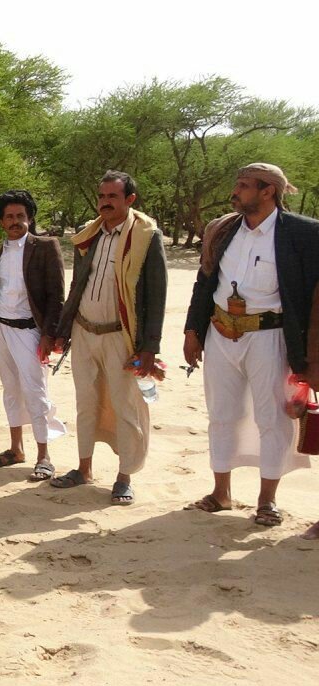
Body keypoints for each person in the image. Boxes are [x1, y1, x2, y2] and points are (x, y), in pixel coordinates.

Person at [183, 163, 319, 528]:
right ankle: (220, 492)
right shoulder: (222, 229)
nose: (235, 192)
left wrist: (311, 356)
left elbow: (314, 297)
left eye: (243, 186)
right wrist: (193, 331)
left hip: (271, 336)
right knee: (221, 414)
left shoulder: (304, 233)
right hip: (220, 333)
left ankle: (267, 501)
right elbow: (205, 281)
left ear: (268, 191)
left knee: (272, 419)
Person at [50, 171, 167, 505]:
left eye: (112, 197)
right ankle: (83, 468)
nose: (105, 202)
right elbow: (78, 285)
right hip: (84, 331)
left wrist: (149, 347)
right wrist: (64, 330)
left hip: (121, 337)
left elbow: (156, 295)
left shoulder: (146, 236)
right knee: (85, 402)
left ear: (130, 199)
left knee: (125, 405)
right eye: (101, 196)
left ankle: (124, 476)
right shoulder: (89, 234)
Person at [0, 190, 65, 479]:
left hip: (31, 331)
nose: (15, 221)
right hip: (0, 328)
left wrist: (49, 334)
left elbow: (56, 295)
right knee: (10, 390)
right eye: (9, 217)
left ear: (29, 218)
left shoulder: (45, 247)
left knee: (36, 391)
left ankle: (44, 456)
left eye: (20, 216)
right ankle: (15, 448)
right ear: (1, 221)